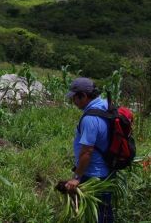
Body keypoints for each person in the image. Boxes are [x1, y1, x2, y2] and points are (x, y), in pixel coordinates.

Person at [65, 77, 113, 223]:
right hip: (108, 170)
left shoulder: (90, 119)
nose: (74, 101)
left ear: (84, 96)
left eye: (75, 98)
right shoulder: (106, 105)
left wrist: (76, 177)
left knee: (98, 216)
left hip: (94, 174)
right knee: (105, 212)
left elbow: (87, 152)